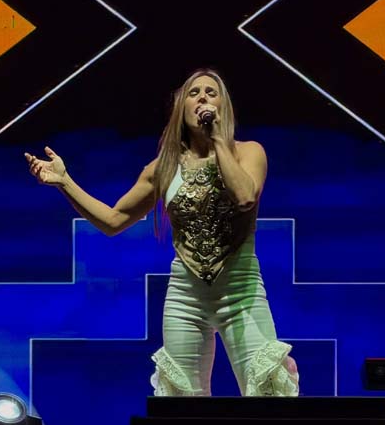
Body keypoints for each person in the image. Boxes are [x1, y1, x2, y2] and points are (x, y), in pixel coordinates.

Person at [25, 69, 298, 396]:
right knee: (182, 404)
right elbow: (113, 220)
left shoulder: (249, 152)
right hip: (186, 296)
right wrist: (65, 182)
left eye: (211, 93)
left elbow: (244, 197)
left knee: (266, 392)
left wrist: (217, 140)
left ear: (223, 108)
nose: (202, 98)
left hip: (240, 290)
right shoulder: (164, 167)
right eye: (194, 93)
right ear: (182, 108)